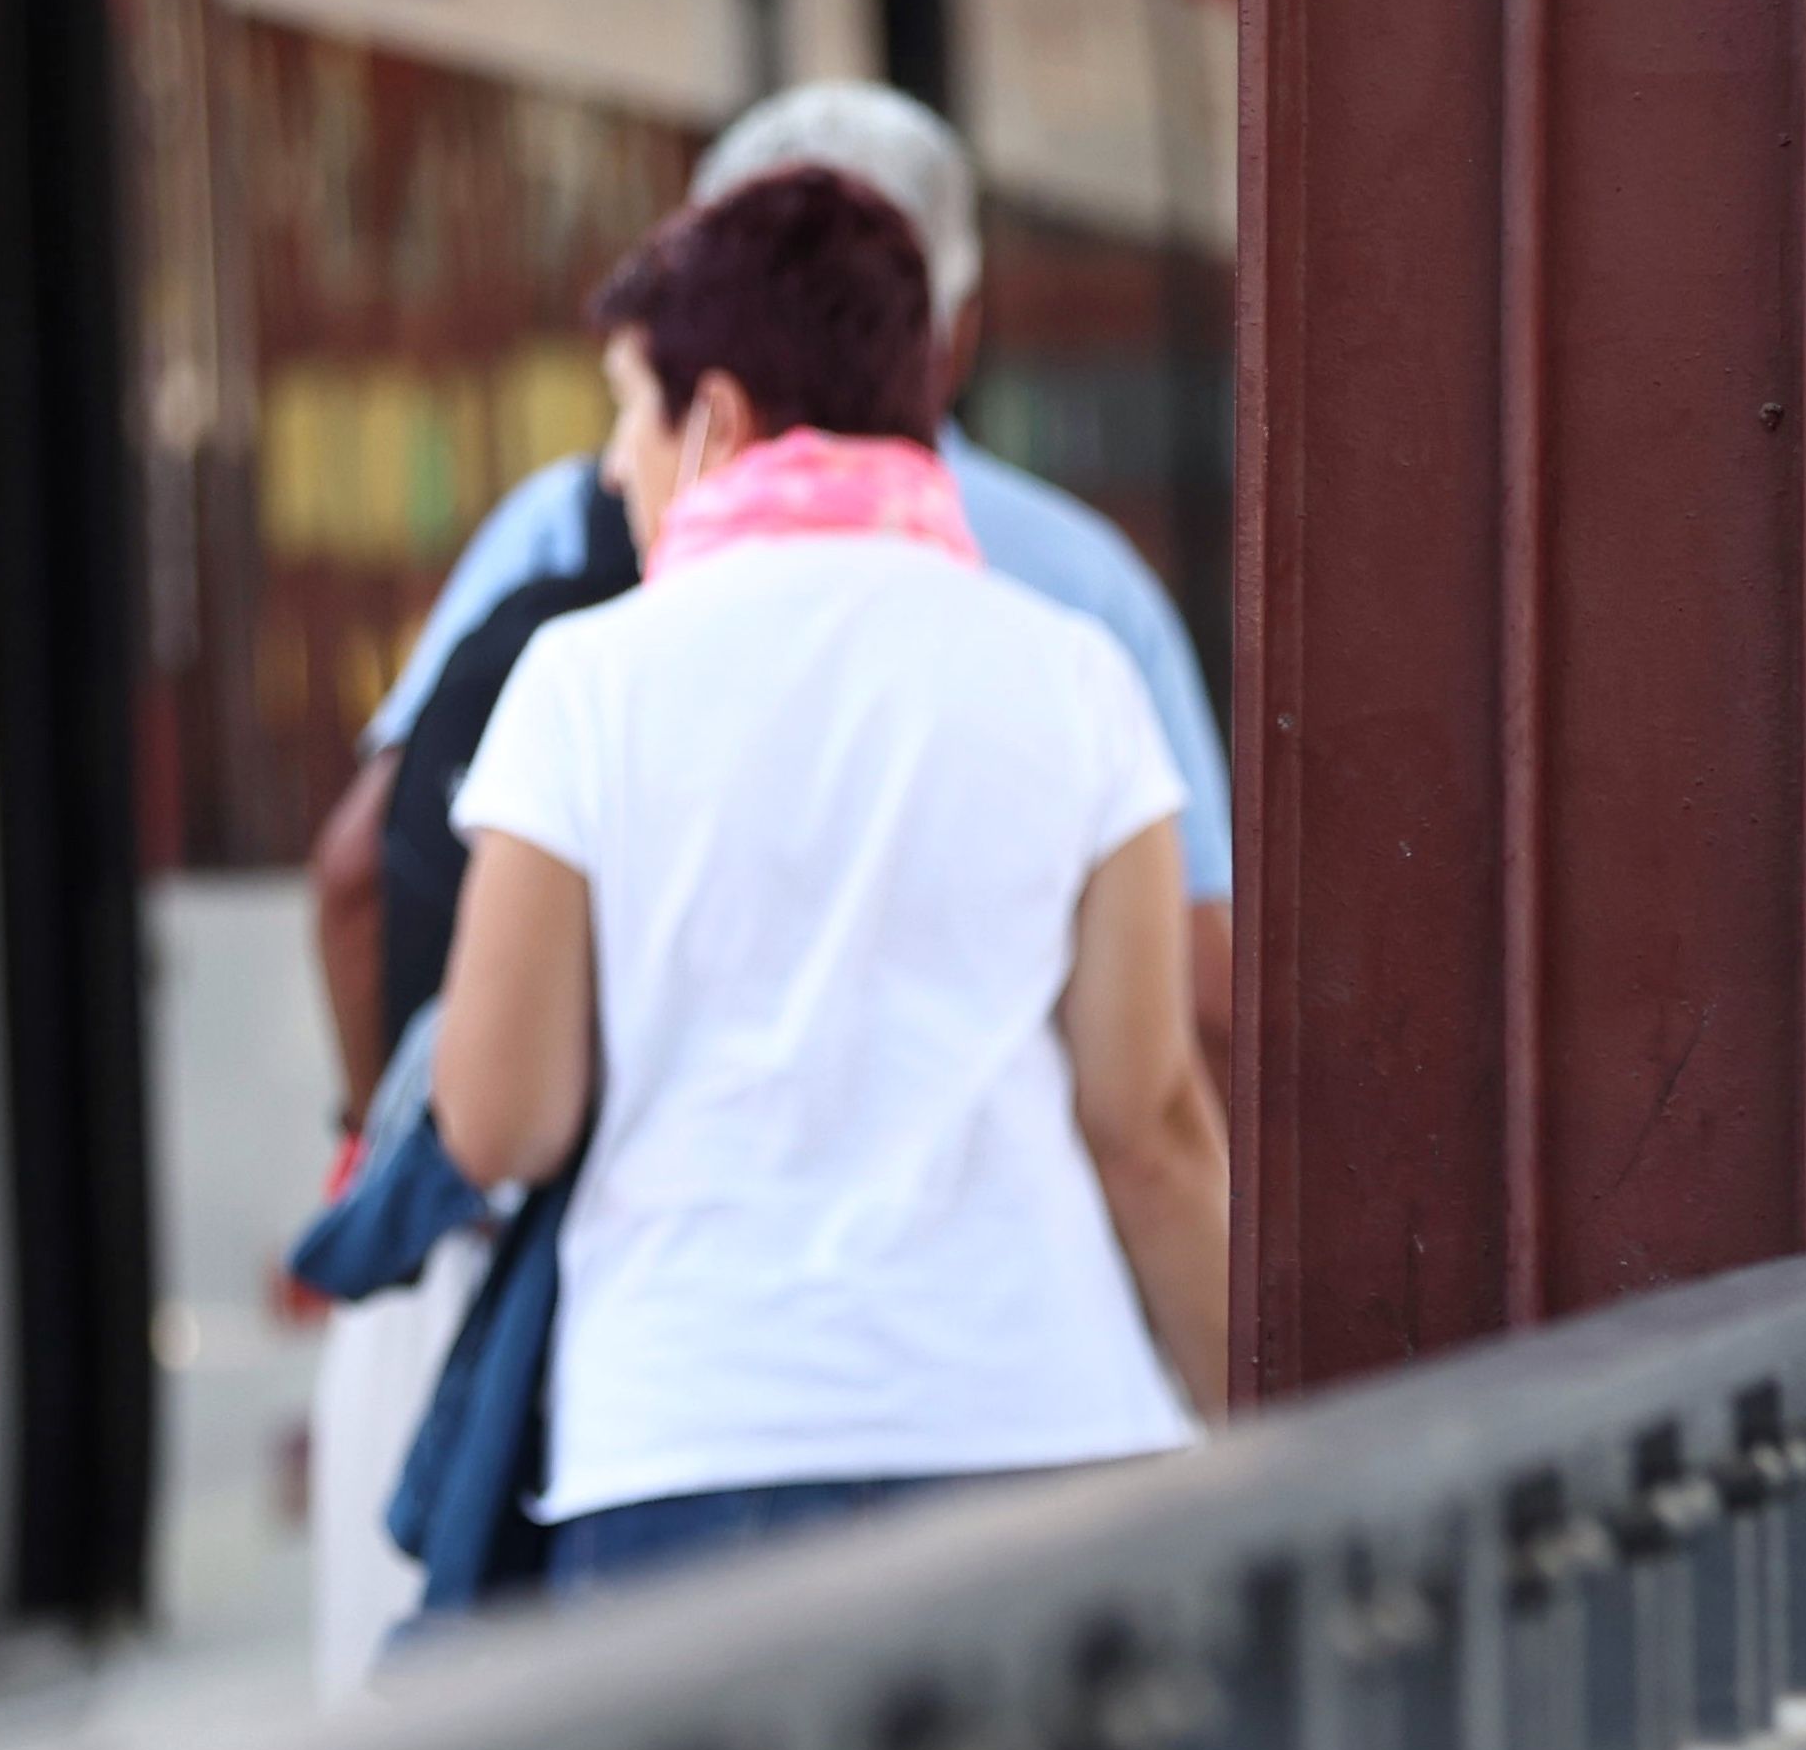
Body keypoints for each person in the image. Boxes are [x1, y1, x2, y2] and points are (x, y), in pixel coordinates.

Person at [426, 166, 1223, 1587]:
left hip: (692, 1440)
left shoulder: (584, 685)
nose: (616, 465)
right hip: (1037, 1417)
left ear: (715, 416)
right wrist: (1260, 1436)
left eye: (628, 406)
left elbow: (500, 1118)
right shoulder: (1073, 676)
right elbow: (1146, 1123)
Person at [313, 79, 1234, 1097]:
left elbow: (363, 876)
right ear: (954, 330)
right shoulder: (1078, 605)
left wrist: (377, 1151)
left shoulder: (570, 595)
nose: (624, 465)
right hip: (1006, 1222)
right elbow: (1199, 988)